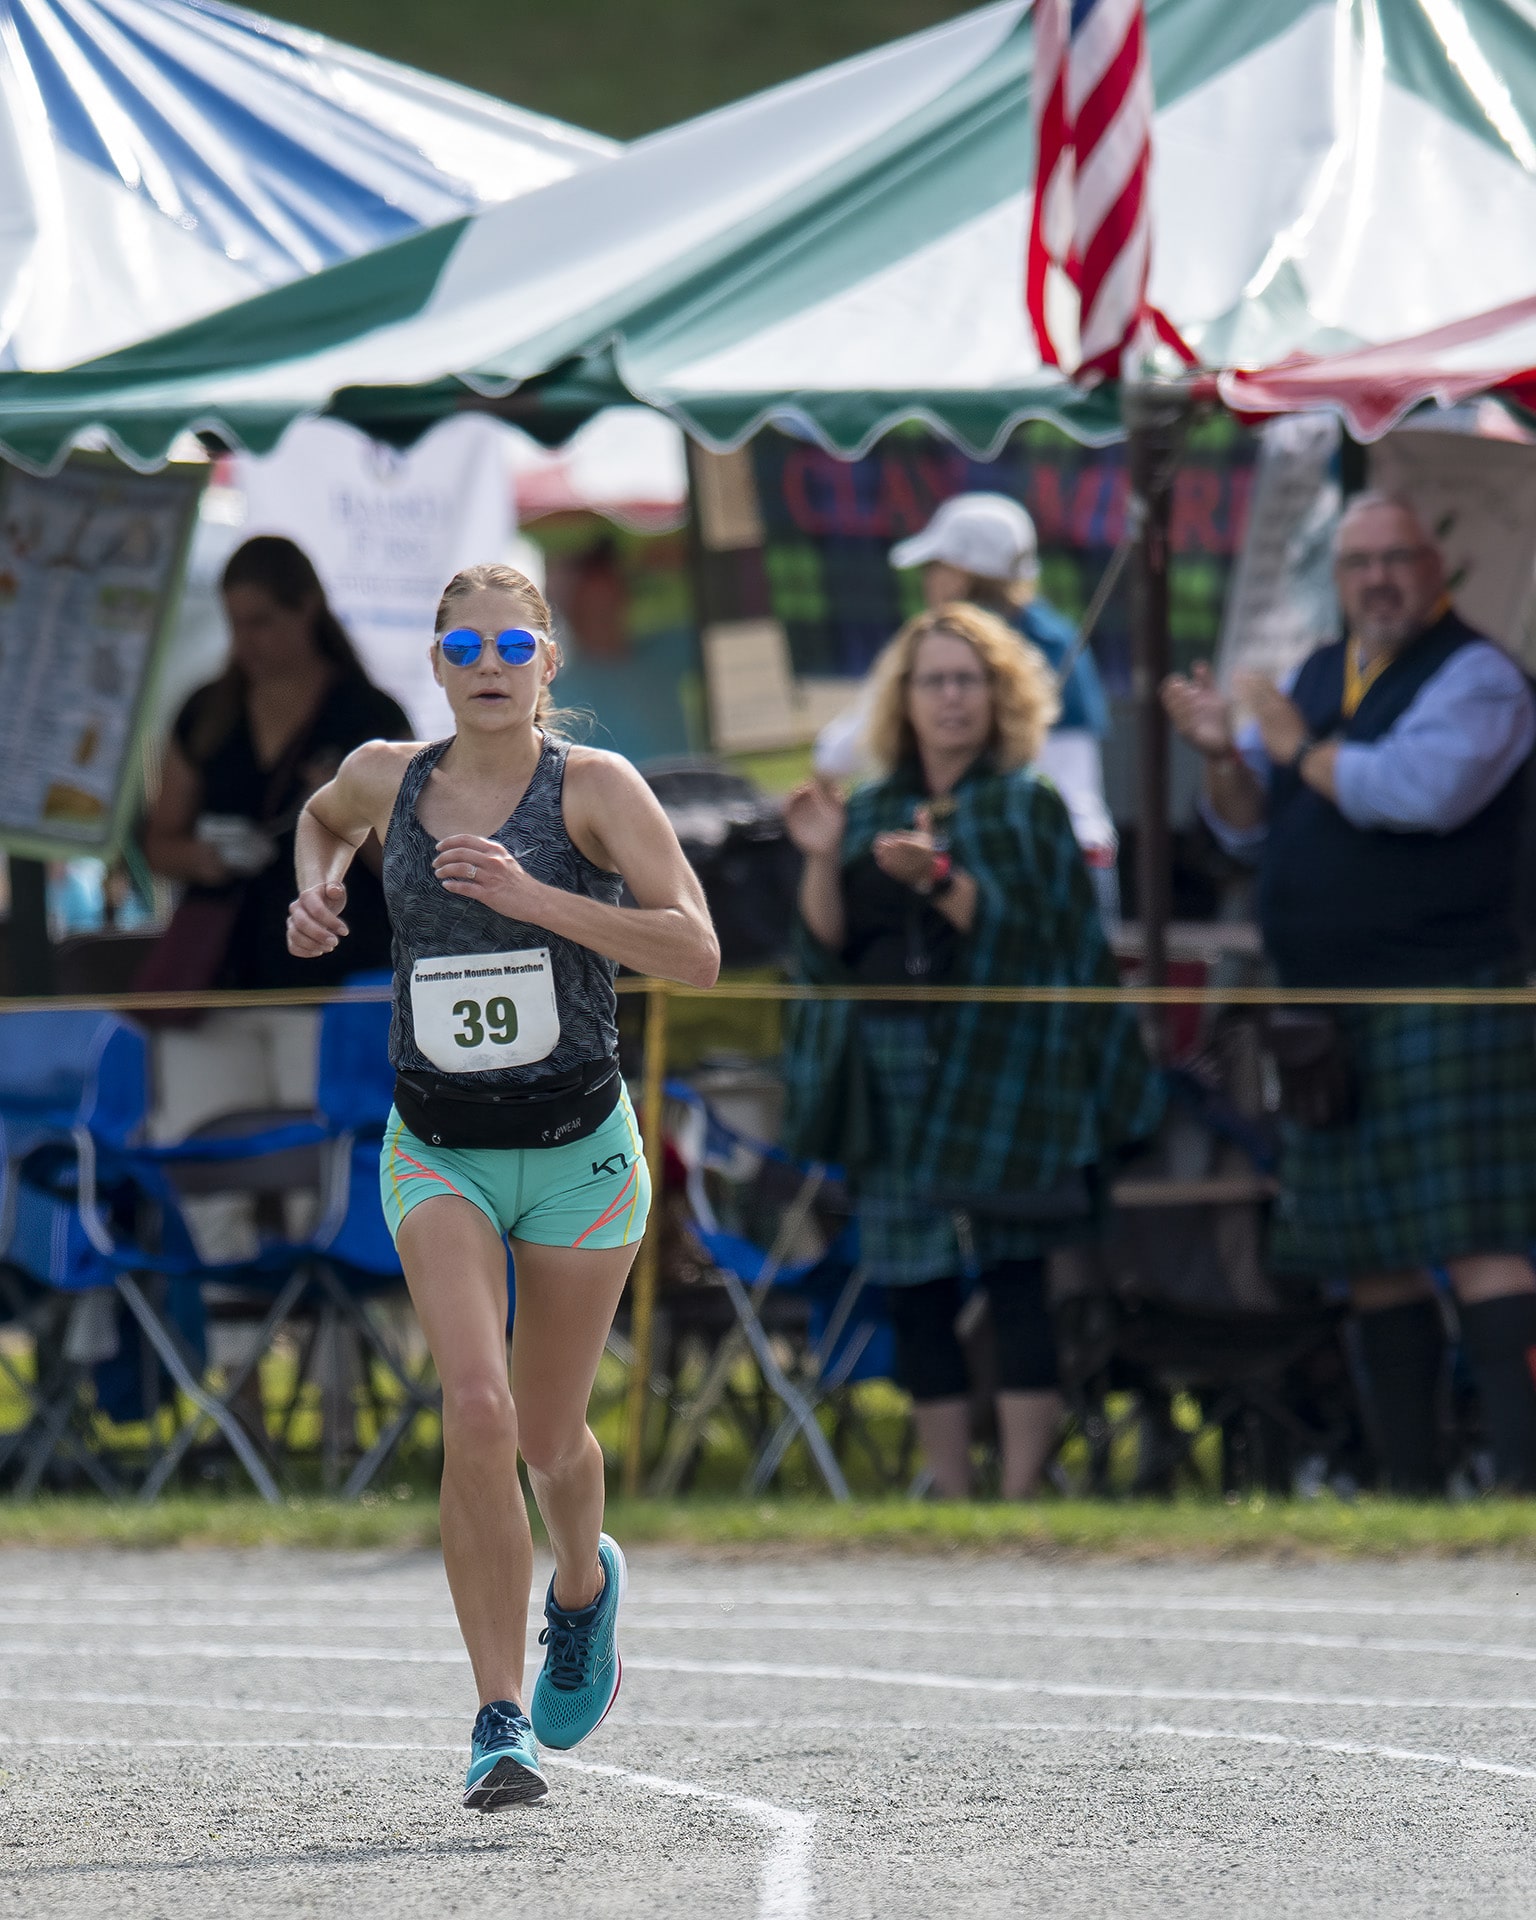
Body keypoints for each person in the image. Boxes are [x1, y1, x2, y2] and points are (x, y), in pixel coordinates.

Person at [286, 563, 718, 1810]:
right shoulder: (386, 776)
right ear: (434, 661)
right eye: (464, 642)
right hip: (440, 1146)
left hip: (582, 1150)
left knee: (545, 1434)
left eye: (512, 642)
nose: (488, 661)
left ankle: (582, 1588)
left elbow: (694, 948)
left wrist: (537, 899)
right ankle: (496, 1716)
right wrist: (314, 891)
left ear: (546, 664)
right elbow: (322, 817)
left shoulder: (595, 789)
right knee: (473, 1411)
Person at [1162, 493, 1536, 1493]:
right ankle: (1411, 1494)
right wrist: (1219, 757)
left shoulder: (1480, 677)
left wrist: (1287, 747)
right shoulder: (1318, 676)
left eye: (1395, 560)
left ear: (1435, 568)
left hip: (1446, 997)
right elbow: (1248, 831)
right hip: (1326, 1010)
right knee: (1373, 1257)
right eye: (1358, 563)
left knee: (1483, 1246)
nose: (1376, 579)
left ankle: (1521, 1489)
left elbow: (1418, 793)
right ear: (1338, 581)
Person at [783, 602, 1161, 1498]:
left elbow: (1047, 946)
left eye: (970, 681)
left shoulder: (1028, 805)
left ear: (1001, 697)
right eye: (933, 681)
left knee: (1015, 1272)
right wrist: (820, 857)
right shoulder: (868, 805)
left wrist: (944, 878)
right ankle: (951, 1491)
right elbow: (825, 955)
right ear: (903, 699)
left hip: (1006, 1070)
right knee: (917, 1285)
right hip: (893, 1071)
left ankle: (1024, 1488)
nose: (952, 699)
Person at [141, 535, 410, 1146]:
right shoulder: (207, 712)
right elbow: (159, 841)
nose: (247, 643)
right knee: (203, 1159)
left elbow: (407, 862)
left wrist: (346, 810)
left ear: (307, 607)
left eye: (262, 622)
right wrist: (204, 859)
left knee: (319, 1168)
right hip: (218, 980)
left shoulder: (366, 715)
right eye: (236, 624)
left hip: (333, 983)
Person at [814, 492, 1119, 920]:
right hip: (1088, 858)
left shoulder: (947, 650)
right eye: (935, 683)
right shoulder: (1059, 637)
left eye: (935, 567)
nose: (928, 581)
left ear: (961, 575)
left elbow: (834, 753)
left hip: (1021, 865)